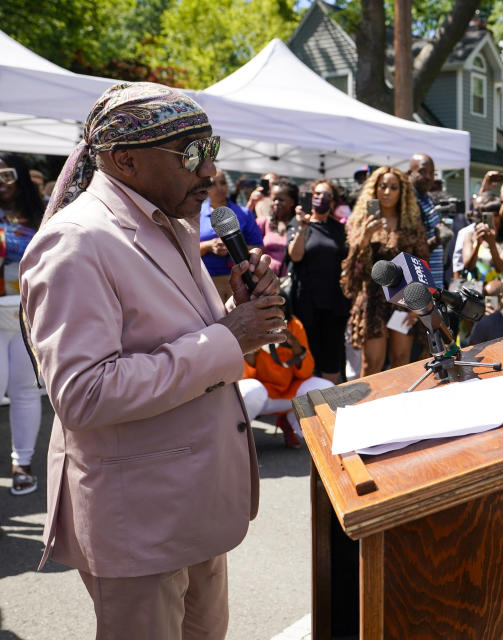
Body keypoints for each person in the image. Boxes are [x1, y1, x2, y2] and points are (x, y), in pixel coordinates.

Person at [19, 82, 284, 638]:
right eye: (191, 154)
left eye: (211, 149)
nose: (210, 171)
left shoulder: (174, 225)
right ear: (125, 160)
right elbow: (83, 394)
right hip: (139, 522)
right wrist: (228, 338)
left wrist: (241, 314)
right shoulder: (76, 242)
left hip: (195, 506)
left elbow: (185, 340)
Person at [341, 167, 429, 377]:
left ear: (402, 192)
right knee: (372, 365)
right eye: (382, 186)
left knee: (401, 363)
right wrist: (366, 236)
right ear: (374, 190)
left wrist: (417, 305)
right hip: (373, 301)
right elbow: (352, 266)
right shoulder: (361, 222)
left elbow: (421, 264)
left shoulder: (411, 224)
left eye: (393, 187)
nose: (387, 192)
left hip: (403, 300)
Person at [0, 153, 44, 497]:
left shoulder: (41, 215)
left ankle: (22, 464)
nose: (2, 181)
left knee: (26, 390)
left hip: (29, 313)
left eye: (8, 174)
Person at [238, 301, 333, 449]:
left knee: (326, 389)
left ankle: (292, 423)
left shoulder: (294, 325)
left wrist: (294, 343)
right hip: (261, 393)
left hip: (288, 390)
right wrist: (253, 348)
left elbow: (306, 372)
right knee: (250, 391)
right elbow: (244, 376)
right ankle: (239, 442)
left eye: (280, 308)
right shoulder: (251, 327)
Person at [287, 180, 350, 384]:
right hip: (306, 302)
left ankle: (329, 405)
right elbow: (295, 256)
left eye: (327, 196)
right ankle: (309, 404)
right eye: (318, 194)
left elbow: (347, 258)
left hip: (334, 301)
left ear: (333, 202)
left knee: (331, 356)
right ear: (310, 196)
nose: (322, 199)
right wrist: (303, 227)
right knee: (309, 353)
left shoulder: (339, 229)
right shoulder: (297, 224)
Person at [199, 170, 263, 301]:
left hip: (240, 282)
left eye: (223, 183)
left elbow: (259, 247)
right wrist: (208, 246)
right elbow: (185, 249)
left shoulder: (244, 213)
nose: (219, 188)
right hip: (205, 283)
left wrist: (234, 247)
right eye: (212, 184)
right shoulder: (195, 215)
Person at [408, 154, 447, 282]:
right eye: (422, 172)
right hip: (420, 284)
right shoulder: (410, 203)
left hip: (434, 280)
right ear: (410, 173)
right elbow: (413, 249)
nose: (429, 177)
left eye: (432, 173)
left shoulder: (427, 198)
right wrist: (436, 240)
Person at [258, 178, 298, 275]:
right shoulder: (263, 223)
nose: (276, 203)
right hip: (265, 281)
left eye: (281, 200)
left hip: (291, 281)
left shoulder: (299, 225)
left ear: (292, 202)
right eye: (274, 199)